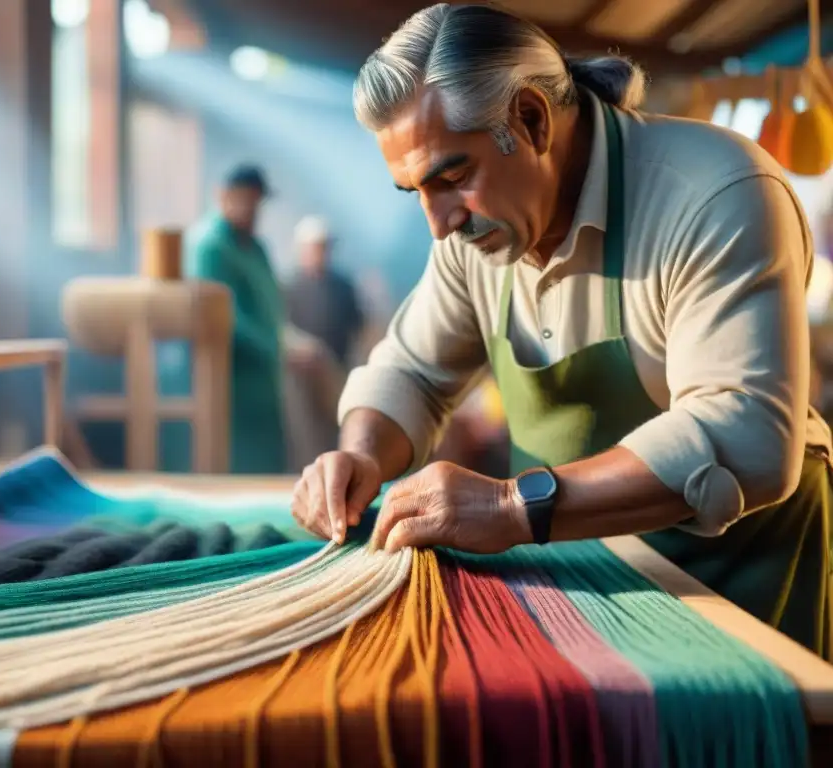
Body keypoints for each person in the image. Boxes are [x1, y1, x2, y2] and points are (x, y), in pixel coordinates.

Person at [290, 3, 833, 659]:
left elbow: (743, 431)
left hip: (736, 589)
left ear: (531, 119)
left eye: (452, 177)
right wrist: (360, 455)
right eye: (417, 192)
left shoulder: (716, 191)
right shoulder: (474, 234)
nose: (438, 224)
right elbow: (411, 372)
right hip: (572, 586)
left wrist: (510, 507)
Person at [185, 164, 287, 474]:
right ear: (222, 196)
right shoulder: (210, 247)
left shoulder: (255, 246)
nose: (253, 210)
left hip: (264, 379)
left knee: (269, 460)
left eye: (258, 203)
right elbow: (224, 316)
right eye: (246, 200)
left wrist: (285, 339)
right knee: (241, 464)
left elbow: (271, 304)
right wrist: (274, 347)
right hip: (233, 379)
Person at [285, 216, 365, 368]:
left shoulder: (344, 287)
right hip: (299, 371)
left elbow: (357, 326)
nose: (318, 254)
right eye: (314, 248)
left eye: (323, 248)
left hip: (337, 366)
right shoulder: (290, 287)